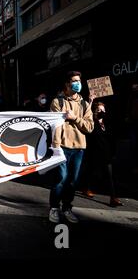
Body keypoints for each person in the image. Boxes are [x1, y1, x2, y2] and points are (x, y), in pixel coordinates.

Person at [49, 71, 94, 223]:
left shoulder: (85, 104)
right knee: (61, 178)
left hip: (79, 149)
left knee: (73, 181)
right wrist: (55, 147)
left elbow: (89, 127)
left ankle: (67, 208)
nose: (78, 84)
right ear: (67, 84)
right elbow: (55, 127)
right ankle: (54, 208)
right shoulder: (57, 102)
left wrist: (74, 118)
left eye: (79, 81)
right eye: (74, 81)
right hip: (62, 147)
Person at [81, 102, 122, 207]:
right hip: (93, 153)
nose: (102, 112)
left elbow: (111, 140)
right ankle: (86, 188)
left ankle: (113, 198)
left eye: (103, 110)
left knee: (110, 175)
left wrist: (113, 152)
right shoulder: (91, 123)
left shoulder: (107, 123)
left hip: (105, 154)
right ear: (94, 112)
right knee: (90, 171)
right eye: (99, 110)